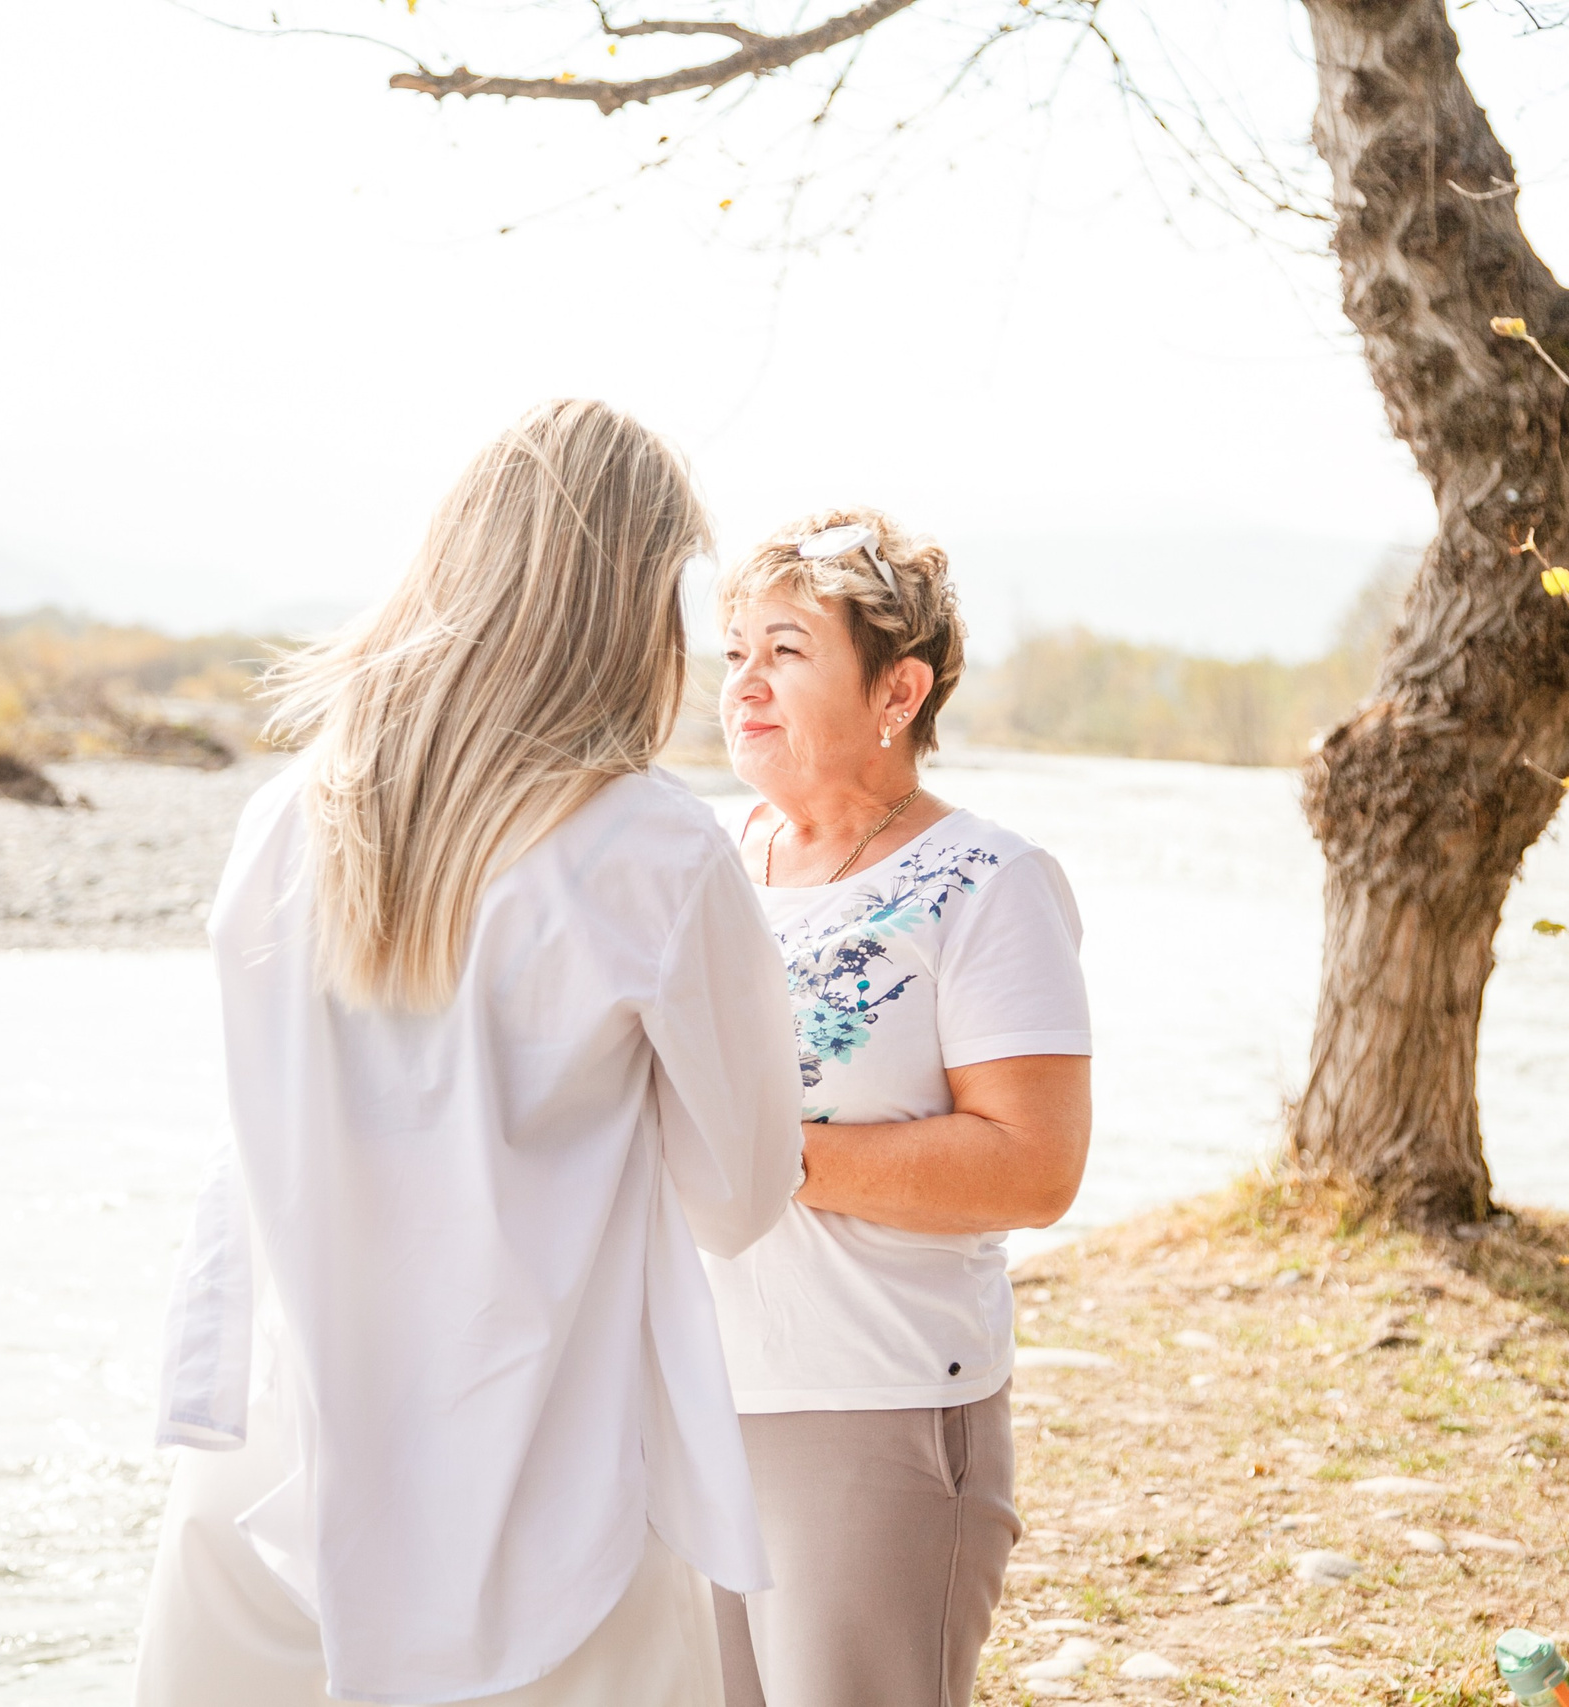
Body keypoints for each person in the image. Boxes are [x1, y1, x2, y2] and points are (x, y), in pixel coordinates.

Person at [133, 400, 806, 1707]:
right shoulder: (652, 846)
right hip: (550, 1495)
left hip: (270, 1474)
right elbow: (740, 1197)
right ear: (635, 602)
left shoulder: (289, 815)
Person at [706, 510, 1095, 1707]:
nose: (744, 685)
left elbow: (1031, 1168)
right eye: (732, 653)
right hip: (682, 1399)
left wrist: (761, 1160)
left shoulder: (986, 883)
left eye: (785, 649)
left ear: (899, 689)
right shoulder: (704, 864)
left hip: (871, 1409)